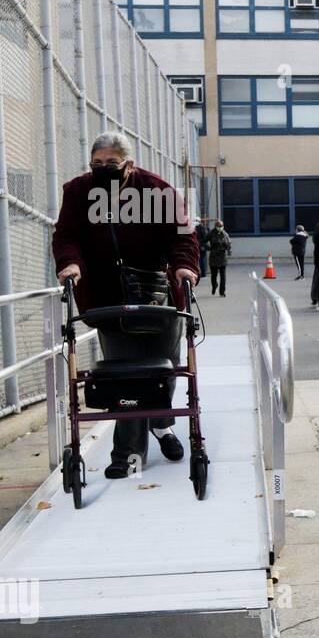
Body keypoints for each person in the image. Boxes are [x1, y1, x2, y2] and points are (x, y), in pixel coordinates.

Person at [52, 130, 199, 478]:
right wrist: (70, 263)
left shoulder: (156, 190)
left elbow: (183, 236)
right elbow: (66, 235)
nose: (103, 169)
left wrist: (184, 266)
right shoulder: (78, 192)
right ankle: (127, 453)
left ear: (129, 165)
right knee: (124, 371)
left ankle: (161, 424)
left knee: (165, 367)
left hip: (156, 292)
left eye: (111, 164)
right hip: (107, 296)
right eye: (96, 163)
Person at [205, 220, 231, 296]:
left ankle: (222, 292)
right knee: (214, 275)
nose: (220, 228)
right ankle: (214, 286)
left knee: (223, 276)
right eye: (219, 226)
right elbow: (204, 241)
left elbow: (229, 244)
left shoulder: (225, 234)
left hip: (222, 257)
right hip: (213, 257)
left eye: (221, 226)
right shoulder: (211, 233)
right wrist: (208, 247)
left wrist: (228, 249)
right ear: (216, 226)